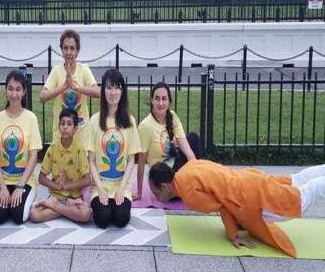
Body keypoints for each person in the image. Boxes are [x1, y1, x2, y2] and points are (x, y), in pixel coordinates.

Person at [148, 156, 325, 257]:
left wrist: (233, 235)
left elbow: (224, 207)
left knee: (302, 198)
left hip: (249, 197)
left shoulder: (188, 194)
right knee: (297, 180)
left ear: (164, 186)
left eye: (156, 191)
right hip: (249, 179)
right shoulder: (189, 168)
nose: (157, 196)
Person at [87, 68, 141, 228]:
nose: (113, 92)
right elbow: (91, 160)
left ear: (122, 91)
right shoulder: (94, 120)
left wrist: (121, 189)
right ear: (103, 91)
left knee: (121, 219)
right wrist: (101, 189)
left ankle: (117, 202)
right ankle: (103, 202)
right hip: (100, 186)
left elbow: (132, 160)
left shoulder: (129, 121)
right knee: (102, 219)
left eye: (117, 87)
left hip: (121, 187)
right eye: (109, 87)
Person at [0, 70, 42, 224]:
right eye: (10, 88)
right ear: (6, 90)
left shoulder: (31, 118)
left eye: (18, 89)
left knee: (19, 216)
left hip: (24, 180)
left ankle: (28, 196)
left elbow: (33, 156)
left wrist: (20, 186)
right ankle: (2, 198)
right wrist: (3, 187)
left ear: (24, 92)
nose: (14, 93)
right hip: (3, 179)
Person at [135, 82, 201, 200]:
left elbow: (188, 151)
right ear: (151, 101)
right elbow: (141, 162)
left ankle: (188, 187)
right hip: (161, 178)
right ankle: (179, 190)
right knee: (162, 171)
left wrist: (198, 175)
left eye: (164, 99)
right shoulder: (145, 126)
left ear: (169, 102)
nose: (160, 103)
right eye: (157, 99)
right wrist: (139, 193)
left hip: (175, 169)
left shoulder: (173, 117)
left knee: (193, 138)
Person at [30, 108, 91, 223]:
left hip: (74, 196)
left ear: (75, 128)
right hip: (56, 195)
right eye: (62, 124)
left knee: (86, 215)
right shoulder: (53, 148)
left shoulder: (79, 149)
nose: (65, 127)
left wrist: (66, 186)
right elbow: (41, 178)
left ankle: (56, 207)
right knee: (34, 215)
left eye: (69, 124)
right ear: (58, 126)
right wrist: (57, 186)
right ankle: (67, 210)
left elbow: (87, 180)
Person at [40, 29, 99, 146]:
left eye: (72, 48)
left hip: (81, 132)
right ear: (61, 50)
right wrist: (63, 87)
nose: (69, 52)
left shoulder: (84, 69)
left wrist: (77, 87)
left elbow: (97, 92)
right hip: (61, 133)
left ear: (77, 51)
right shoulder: (56, 71)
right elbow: (42, 97)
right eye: (65, 48)